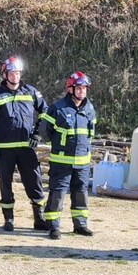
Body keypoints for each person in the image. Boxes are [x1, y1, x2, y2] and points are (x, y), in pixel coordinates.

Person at [0, 56, 49, 231]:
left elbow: (45, 112)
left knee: (34, 182)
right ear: (5, 74)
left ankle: (39, 218)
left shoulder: (30, 91)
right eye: (12, 73)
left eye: (18, 73)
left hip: (26, 148)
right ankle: (9, 219)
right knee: (5, 184)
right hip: (4, 150)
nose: (15, 76)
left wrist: (37, 134)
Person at [39, 71, 96, 240]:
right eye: (78, 88)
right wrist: (58, 145)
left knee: (81, 193)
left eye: (84, 88)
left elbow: (91, 132)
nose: (82, 92)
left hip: (82, 162)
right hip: (61, 162)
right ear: (70, 89)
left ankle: (80, 224)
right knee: (57, 193)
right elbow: (44, 130)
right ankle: (53, 226)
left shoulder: (89, 108)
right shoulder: (58, 108)